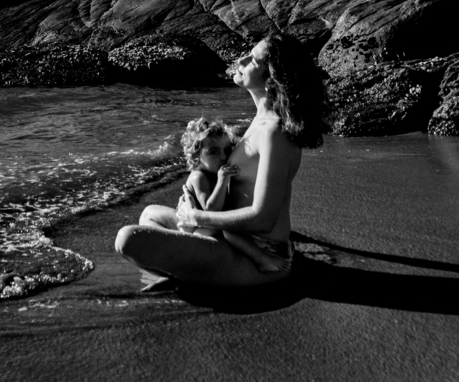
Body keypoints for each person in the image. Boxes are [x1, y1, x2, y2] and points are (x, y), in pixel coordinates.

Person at [114, 33, 327, 288]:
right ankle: (185, 272)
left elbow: (263, 218)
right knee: (150, 214)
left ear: (271, 79)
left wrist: (196, 217)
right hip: (229, 239)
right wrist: (195, 198)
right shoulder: (259, 123)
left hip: (259, 257)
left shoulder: (275, 132)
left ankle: (186, 275)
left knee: (127, 239)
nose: (242, 59)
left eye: (253, 59)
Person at [176, 117, 291, 275]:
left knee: (232, 228)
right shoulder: (199, 177)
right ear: (196, 157)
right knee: (230, 229)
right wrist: (222, 182)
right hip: (194, 230)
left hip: (206, 226)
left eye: (227, 150)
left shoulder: (213, 172)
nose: (223, 157)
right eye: (214, 152)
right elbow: (211, 210)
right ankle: (261, 258)